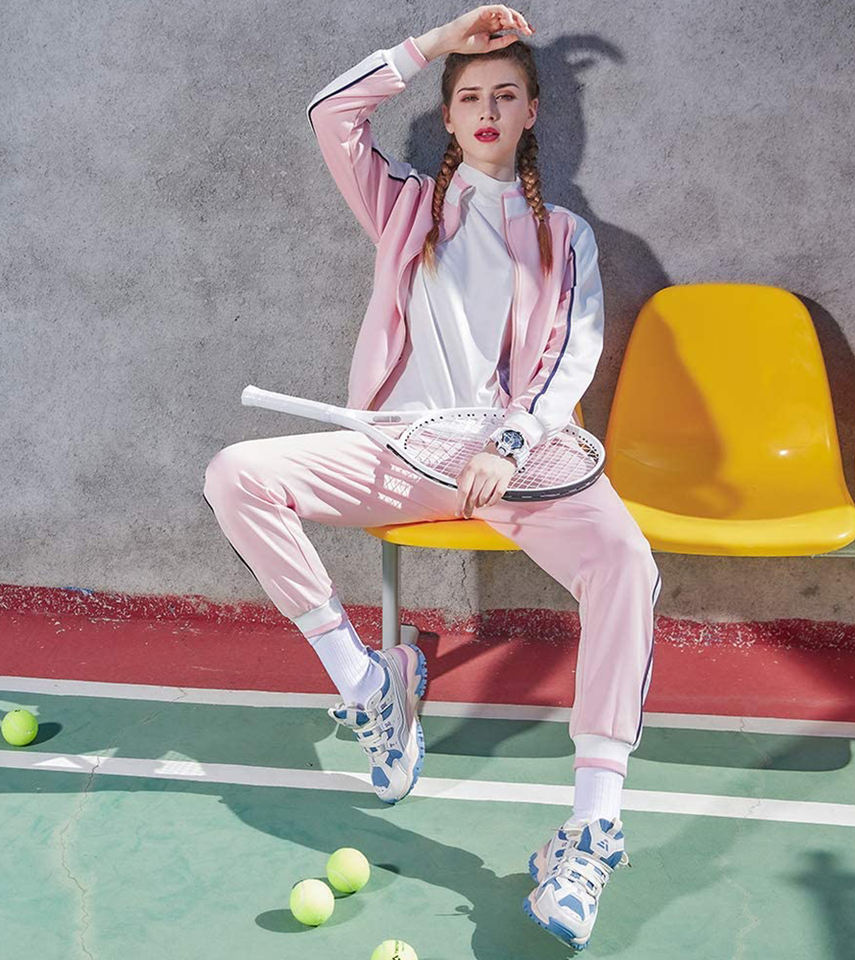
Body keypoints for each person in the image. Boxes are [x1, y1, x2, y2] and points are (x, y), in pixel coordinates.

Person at [202, 5, 662, 950]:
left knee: (627, 563)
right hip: (398, 452)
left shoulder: (566, 236)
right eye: (469, 96)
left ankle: (590, 829)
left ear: (532, 112)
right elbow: (331, 114)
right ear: (447, 114)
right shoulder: (402, 206)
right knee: (236, 475)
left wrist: (511, 442)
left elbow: (569, 359)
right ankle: (369, 681)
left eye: (505, 95)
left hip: (516, 463)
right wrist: (435, 44)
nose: (487, 110)